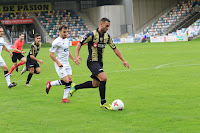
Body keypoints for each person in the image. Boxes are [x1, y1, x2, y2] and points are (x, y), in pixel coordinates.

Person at [69, 18, 130, 110]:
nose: (108, 28)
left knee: (95, 84)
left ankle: (75, 87)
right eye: (107, 26)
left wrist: (123, 60)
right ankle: (103, 102)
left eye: (109, 26)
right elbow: (79, 44)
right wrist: (76, 56)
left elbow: (114, 48)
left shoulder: (107, 37)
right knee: (104, 78)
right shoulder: (92, 35)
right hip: (92, 62)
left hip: (100, 63)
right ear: (101, 24)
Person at [45, 25, 76, 103]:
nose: (65, 34)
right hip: (60, 64)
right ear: (59, 32)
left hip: (67, 63)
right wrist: (58, 62)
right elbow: (51, 54)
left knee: (70, 80)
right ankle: (50, 83)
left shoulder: (67, 40)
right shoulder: (56, 42)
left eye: (66, 32)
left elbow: (67, 51)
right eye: (64, 32)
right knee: (66, 81)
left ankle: (64, 99)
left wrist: (74, 59)